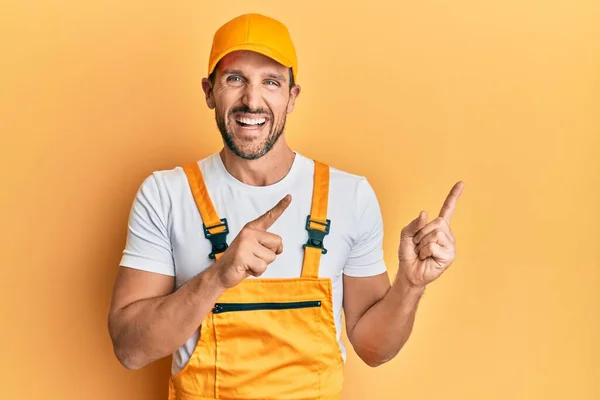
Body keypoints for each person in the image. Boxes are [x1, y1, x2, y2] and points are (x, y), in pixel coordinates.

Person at [108, 13, 465, 400]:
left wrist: (410, 286)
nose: (252, 100)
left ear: (292, 97)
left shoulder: (350, 196)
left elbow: (374, 350)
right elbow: (130, 350)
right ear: (209, 91)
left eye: (271, 82)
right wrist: (217, 277)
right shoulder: (166, 194)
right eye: (234, 79)